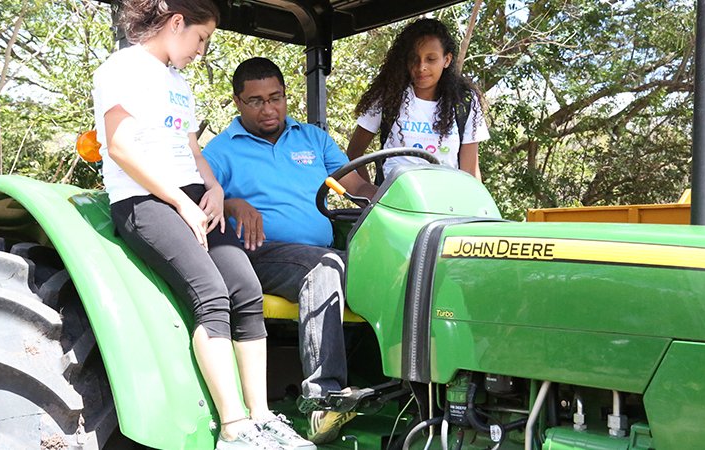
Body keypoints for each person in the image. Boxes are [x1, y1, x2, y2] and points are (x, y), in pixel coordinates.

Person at [92, 2, 311, 449]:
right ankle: (234, 428)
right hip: (145, 200)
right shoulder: (122, 68)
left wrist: (211, 189)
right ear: (177, 24)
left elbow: (192, 151)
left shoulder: (178, 83)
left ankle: (263, 418)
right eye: (201, 39)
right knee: (210, 293)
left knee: (246, 290)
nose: (201, 50)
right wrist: (180, 201)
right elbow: (120, 149)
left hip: (192, 196)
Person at [202, 58, 377, 445]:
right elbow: (201, 196)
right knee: (324, 266)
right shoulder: (221, 149)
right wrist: (232, 204)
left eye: (276, 98)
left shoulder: (312, 139)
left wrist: (398, 196)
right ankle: (322, 399)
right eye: (256, 101)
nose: (268, 109)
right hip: (260, 254)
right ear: (237, 102)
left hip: (321, 250)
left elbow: (357, 187)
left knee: (399, 267)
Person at [346, 18, 489, 182]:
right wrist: (369, 197)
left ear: (447, 60)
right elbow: (354, 153)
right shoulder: (389, 95)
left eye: (431, 59)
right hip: (394, 203)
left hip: (446, 204)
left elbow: (470, 171)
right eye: (414, 58)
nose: (421, 67)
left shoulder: (464, 102)